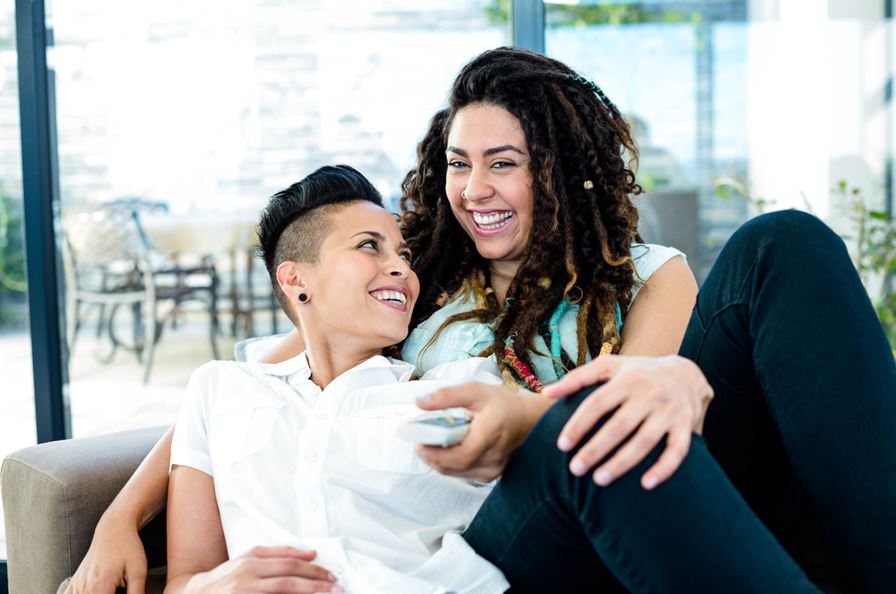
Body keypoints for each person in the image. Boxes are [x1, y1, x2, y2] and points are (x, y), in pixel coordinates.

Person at [66, 47, 896, 593]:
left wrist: (674, 381)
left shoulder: (651, 277)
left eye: (505, 165)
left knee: (781, 243)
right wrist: (119, 514)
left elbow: (635, 408)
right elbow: (249, 385)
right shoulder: (414, 280)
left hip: (657, 486)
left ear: (562, 172)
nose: (474, 191)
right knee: (584, 426)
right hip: (520, 528)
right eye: (460, 164)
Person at [164, 165, 510, 593]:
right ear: (295, 279)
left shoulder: (455, 391)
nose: (402, 269)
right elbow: (183, 579)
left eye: (404, 256)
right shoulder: (222, 389)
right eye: (370, 246)